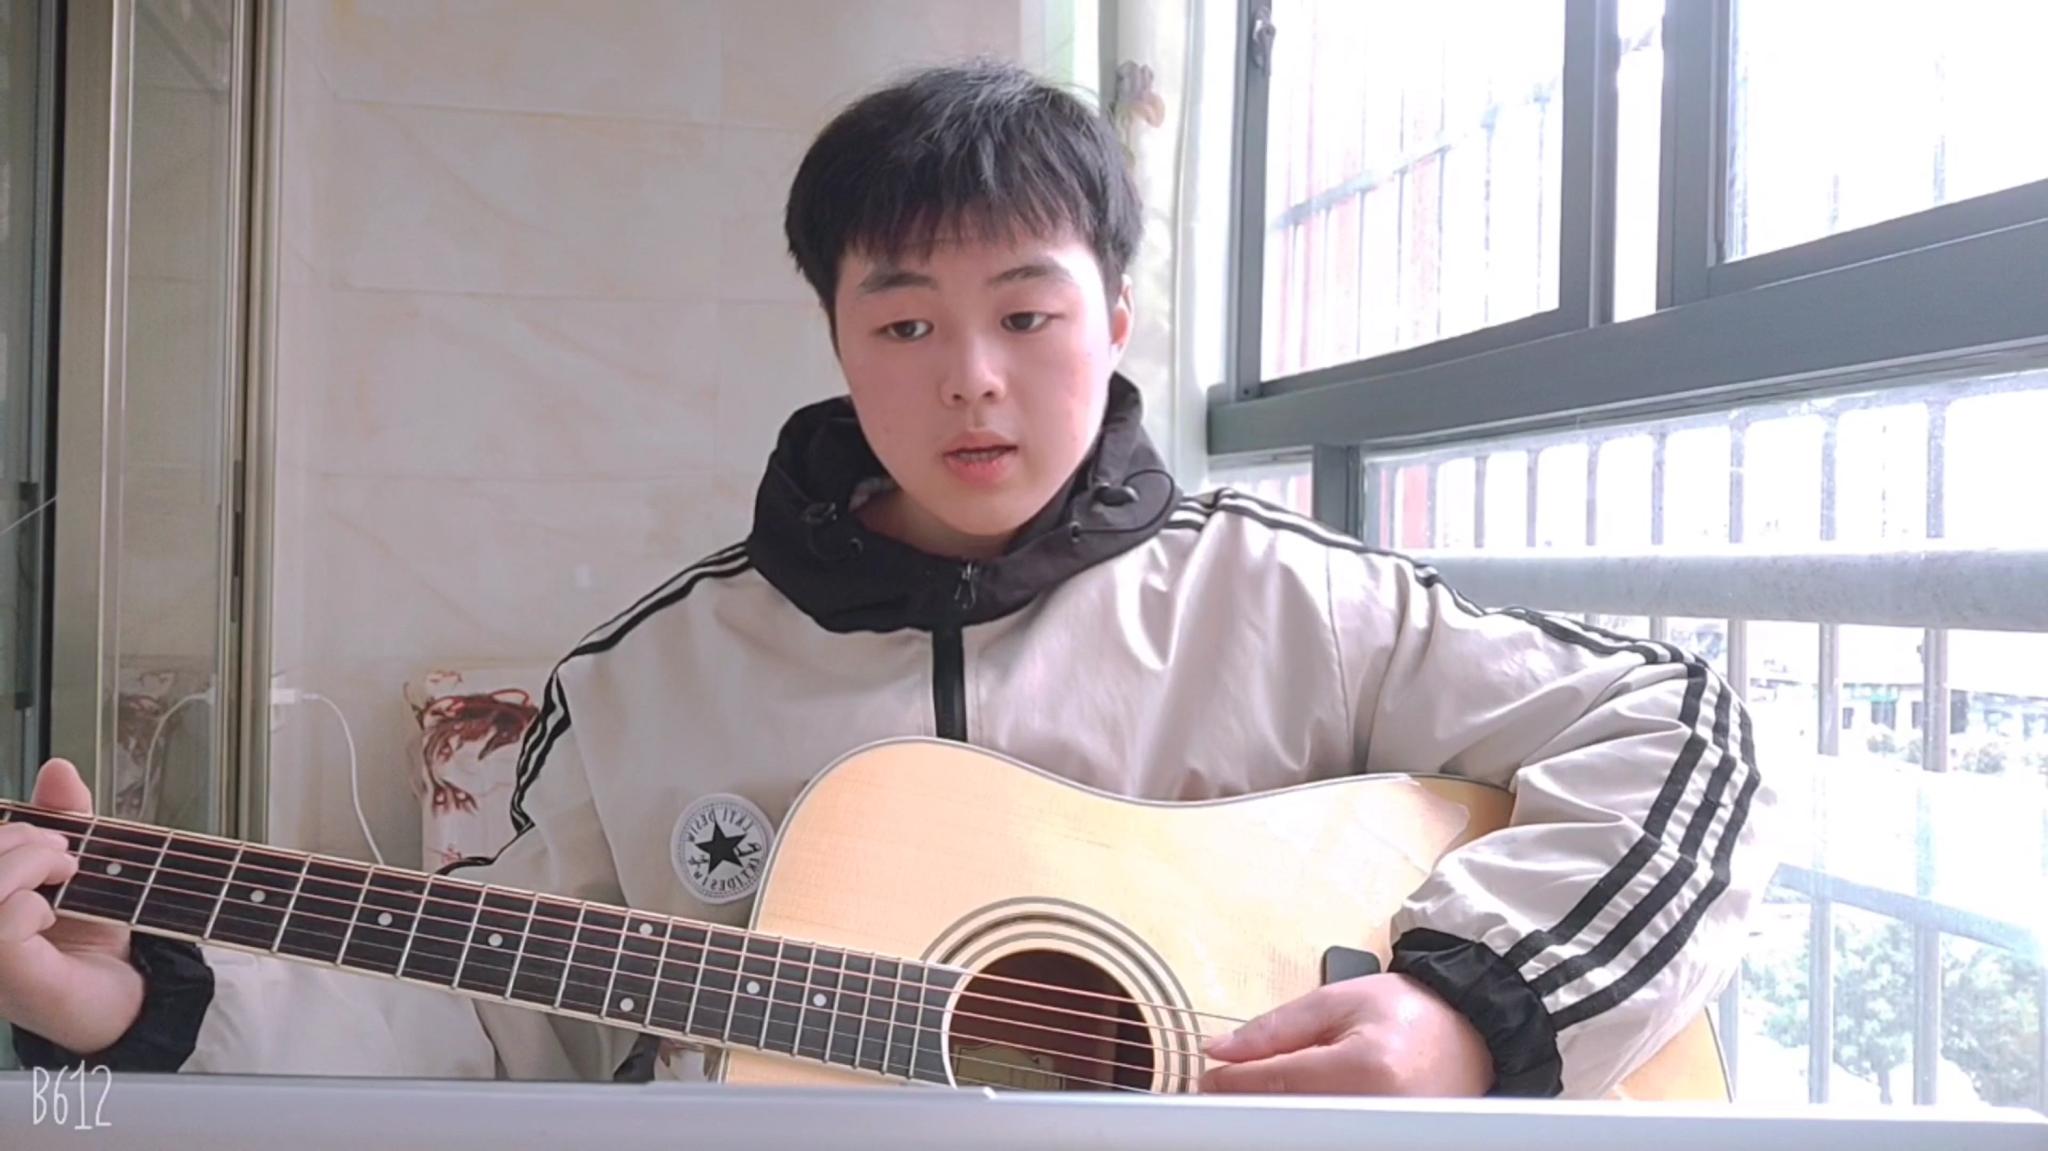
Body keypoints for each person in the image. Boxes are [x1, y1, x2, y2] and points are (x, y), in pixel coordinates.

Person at [0, 60, 1773, 1099]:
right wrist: (140, 994)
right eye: (907, 324)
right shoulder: (648, 678)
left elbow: (1681, 730)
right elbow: (491, 1012)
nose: (972, 382)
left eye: (1027, 314)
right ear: (839, 342)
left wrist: (1476, 1010)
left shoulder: (1289, 604)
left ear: (1117, 319)